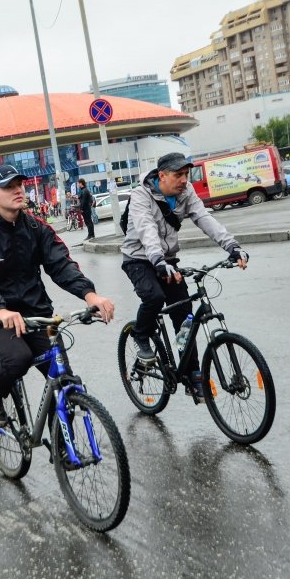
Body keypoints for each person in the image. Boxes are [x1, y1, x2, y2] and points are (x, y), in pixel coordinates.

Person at [0, 164, 115, 427]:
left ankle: (64, 447)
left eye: (19, 184)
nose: (18, 190)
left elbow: (61, 264)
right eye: (8, 187)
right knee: (18, 359)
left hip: (36, 311)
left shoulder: (36, 227)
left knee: (61, 374)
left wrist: (89, 294)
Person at [121, 152, 248, 402]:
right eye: (178, 175)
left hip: (165, 260)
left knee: (185, 317)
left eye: (186, 174)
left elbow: (204, 218)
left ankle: (192, 374)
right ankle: (140, 333)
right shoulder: (140, 195)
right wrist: (157, 260)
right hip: (139, 258)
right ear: (162, 176)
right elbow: (146, 228)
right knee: (154, 297)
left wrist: (232, 246)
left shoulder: (186, 192)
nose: (184, 180)